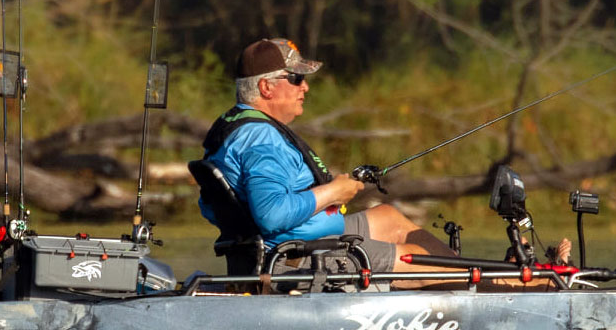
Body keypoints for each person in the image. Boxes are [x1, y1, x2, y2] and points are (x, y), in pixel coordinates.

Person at [198, 38, 464, 281]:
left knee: (388, 217)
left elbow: (213, 207)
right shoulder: (262, 139)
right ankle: (485, 285)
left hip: (296, 239)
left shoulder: (234, 127)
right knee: (425, 262)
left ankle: (474, 275)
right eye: (296, 78)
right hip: (297, 258)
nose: (306, 86)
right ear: (266, 87)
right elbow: (272, 215)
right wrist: (332, 192)